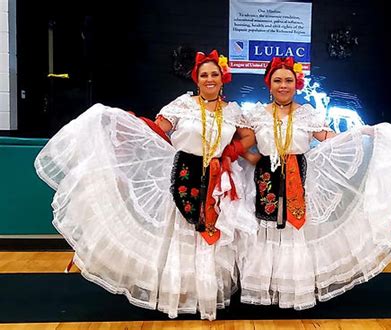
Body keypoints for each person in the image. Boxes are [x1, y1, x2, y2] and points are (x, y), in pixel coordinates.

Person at [34, 50, 257, 320]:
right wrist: (123, 124)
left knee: (212, 237)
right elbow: (157, 128)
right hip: (184, 175)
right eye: (203, 75)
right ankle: (182, 294)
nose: (209, 79)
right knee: (182, 235)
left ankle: (207, 295)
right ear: (196, 80)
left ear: (223, 79)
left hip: (219, 181)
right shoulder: (182, 105)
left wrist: (231, 151)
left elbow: (249, 136)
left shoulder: (232, 111)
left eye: (214, 75)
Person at [237, 56, 391, 310]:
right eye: (278, 80)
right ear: (269, 84)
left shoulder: (306, 115)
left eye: (288, 80)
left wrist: (363, 134)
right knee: (266, 229)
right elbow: (240, 143)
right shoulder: (256, 114)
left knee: (293, 231)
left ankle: (291, 288)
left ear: (296, 84)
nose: (283, 85)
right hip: (265, 180)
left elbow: (329, 138)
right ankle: (266, 288)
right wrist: (254, 158)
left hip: (298, 179)